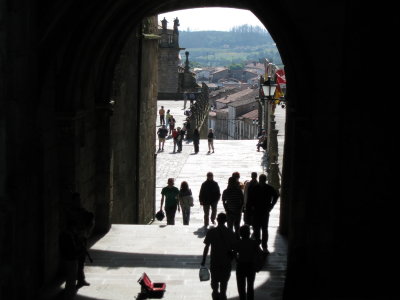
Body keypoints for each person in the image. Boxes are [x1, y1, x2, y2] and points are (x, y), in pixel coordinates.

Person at [60, 192, 94, 298]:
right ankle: (70, 290)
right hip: (72, 242)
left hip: (80, 240)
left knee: (81, 260)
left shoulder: (80, 211)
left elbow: (88, 217)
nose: (78, 202)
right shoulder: (69, 213)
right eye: (77, 200)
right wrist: (75, 233)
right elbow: (66, 227)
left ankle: (80, 279)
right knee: (72, 265)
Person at [201, 213, 237, 300]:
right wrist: (234, 257)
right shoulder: (230, 232)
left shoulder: (212, 232)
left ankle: (215, 293)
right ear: (226, 221)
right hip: (226, 260)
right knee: (224, 281)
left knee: (215, 279)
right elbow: (235, 247)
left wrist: (204, 260)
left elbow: (206, 247)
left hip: (215, 259)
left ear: (217, 220)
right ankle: (223, 294)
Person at [250, 174, 279, 253]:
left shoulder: (255, 188)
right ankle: (263, 246)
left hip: (259, 211)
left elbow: (250, 198)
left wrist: (251, 207)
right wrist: (271, 205)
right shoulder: (269, 188)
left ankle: (259, 244)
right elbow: (276, 196)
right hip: (264, 210)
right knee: (263, 229)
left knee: (259, 229)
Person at [235, 224, 261, 300]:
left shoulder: (238, 243)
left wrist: (237, 259)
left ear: (240, 234)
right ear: (249, 233)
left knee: (241, 287)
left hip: (241, 265)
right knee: (250, 286)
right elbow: (258, 254)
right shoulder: (253, 243)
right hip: (250, 265)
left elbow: (234, 253)